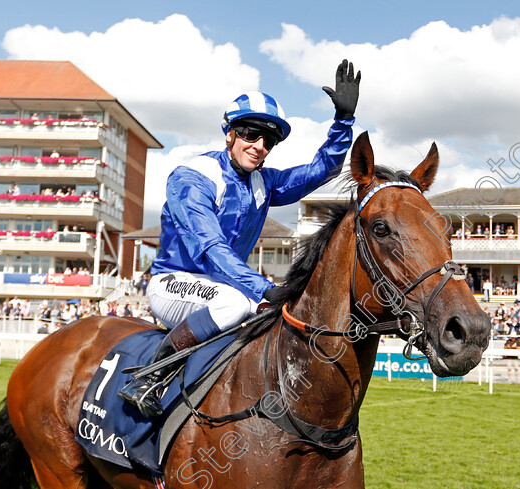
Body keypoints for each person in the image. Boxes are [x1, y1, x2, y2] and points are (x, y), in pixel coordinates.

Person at [119, 59, 361, 417]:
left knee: (277, 315)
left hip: (225, 288)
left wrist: (343, 123)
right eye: (249, 133)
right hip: (174, 282)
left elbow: (322, 170)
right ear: (230, 133)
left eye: (269, 140)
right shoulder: (193, 176)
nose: (259, 145)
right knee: (236, 304)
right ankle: (149, 376)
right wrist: (262, 287)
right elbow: (211, 246)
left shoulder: (264, 182)